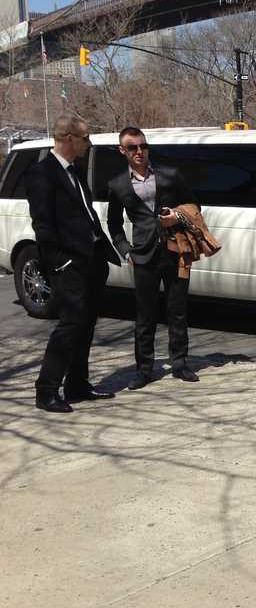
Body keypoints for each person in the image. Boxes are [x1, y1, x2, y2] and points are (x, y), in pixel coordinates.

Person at [25, 114, 121, 412]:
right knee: (69, 325)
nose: (89, 143)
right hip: (69, 265)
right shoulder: (42, 173)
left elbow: (84, 213)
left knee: (86, 324)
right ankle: (46, 390)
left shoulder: (75, 171)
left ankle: (77, 384)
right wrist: (61, 263)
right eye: (86, 138)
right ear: (69, 137)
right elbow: (43, 224)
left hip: (92, 260)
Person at [107, 127, 200, 389]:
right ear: (122, 151)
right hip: (143, 256)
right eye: (133, 147)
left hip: (175, 250)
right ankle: (144, 369)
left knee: (177, 310)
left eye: (143, 146)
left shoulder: (170, 175)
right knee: (145, 315)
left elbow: (194, 205)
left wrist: (177, 217)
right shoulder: (117, 185)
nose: (139, 151)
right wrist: (126, 251)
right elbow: (113, 223)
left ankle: (180, 364)